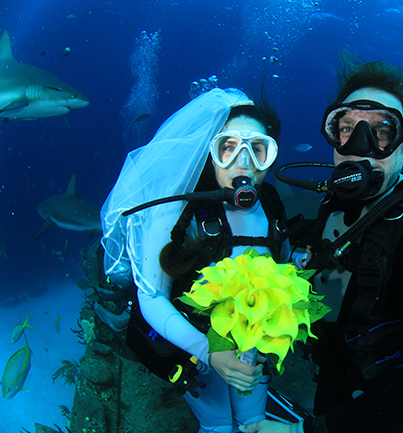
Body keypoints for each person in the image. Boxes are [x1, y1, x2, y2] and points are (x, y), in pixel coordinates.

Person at [242, 55, 403, 433]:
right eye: (346, 127)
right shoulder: (335, 202)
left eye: (381, 131)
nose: (358, 146)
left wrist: (308, 432)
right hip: (333, 376)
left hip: (376, 405)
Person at [101, 87, 293, 433]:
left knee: (253, 423)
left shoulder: (273, 204)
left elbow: (284, 263)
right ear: (211, 151)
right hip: (195, 349)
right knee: (218, 426)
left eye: (258, 150)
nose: (244, 161)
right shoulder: (173, 217)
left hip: (254, 348)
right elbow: (151, 297)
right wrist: (207, 352)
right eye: (229, 147)